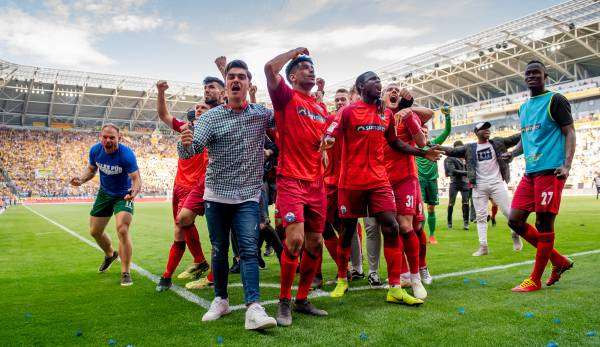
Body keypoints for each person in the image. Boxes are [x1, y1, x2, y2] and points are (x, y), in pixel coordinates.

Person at [324, 71, 441, 304]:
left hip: (379, 182)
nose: (378, 85)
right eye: (373, 81)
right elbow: (332, 130)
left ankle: (395, 287)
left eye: (379, 81)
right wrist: (328, 139)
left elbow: (395, 142)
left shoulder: (385, 114)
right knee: (347, 231)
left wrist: (421, 152)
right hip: (351, 182)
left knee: (392, 226)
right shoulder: (348, 111)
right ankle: (342, 279)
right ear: (360, 87)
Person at [179, 59, 277, 330]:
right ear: (226, 84)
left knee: (247, 249)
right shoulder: (210, 117)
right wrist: (185, 143)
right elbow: (192, 150)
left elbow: (287, 115)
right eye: (231, 76)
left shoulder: (260, 114)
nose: (236, 81)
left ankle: (253, 307)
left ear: (248, 83)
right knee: (220, 250)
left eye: (241, 77)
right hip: (216, 196)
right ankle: (220, 300)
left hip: (247, 195)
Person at [265, 47, 329, 327]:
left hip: (317, 183)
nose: (310, 70)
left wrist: (327, 145)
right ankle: (283, 301)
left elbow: (322, 138)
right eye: (304, 67)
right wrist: (295, 51)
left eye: (312, 67)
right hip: (290, 180)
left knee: (316, 243)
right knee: (295, 240)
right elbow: (269, 68)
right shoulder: (286, 97)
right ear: (291, 75)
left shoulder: (320, 107)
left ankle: (302, 300)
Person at [506, 60, 575, 292]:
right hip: (531, 172)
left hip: (551, 170)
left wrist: (567, 165)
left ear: (547, 76)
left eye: (537, 73)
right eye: (528, 73)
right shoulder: (523, 108)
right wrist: (513, 154)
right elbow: (527, 139)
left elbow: (569, 131)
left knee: (543, 223)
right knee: (514, 220)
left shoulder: (556, 100)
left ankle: (535, 279)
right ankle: (559, 261)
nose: (532, 76)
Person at [155, 80, 212, 292]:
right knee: (179, 227)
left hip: (196, 186)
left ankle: (167, 276)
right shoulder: (186, 127)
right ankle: (200, 262)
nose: (199, 109)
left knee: (181, 225)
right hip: (178, 185)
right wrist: (160, 92)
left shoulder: (215, 130)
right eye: (197, 107)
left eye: (204, 107)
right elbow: (164, 115)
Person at [69, 124, 142, 286]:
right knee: (95, 231)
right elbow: (91, 169)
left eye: (112, 138)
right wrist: (80, 179)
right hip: (104, 193)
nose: (108, 140)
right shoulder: (95, 150)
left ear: (119, 138)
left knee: (122, 229)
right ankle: (110, 254)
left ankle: (125, 272)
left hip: (124, 195)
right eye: (105, 137)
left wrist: (134, 192)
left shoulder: (126, 155)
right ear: (100, 137)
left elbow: (136, 178)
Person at [441, 123, 523, 256]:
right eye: (483, 128)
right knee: (480, 217)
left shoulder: (498, 142)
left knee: (509, 213)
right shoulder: (470, 148)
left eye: (488, 128)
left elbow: (517, 137)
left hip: (497, 183)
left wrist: (529, 128)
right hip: (479, 186)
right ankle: (483, 246)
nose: (487, 130)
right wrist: (437, 147)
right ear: (476, 132)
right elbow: (452, 151)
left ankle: (515, 235)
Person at [417, 106, 452, 244]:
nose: (424, 133)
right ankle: (420, 235)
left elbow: (447, 131)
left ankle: (431, 235)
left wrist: (447, 116)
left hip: (432, 180)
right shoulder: (414, 146)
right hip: (419, 180)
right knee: (418, 210)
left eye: (425, 131)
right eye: (421, 131)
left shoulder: (434, 144)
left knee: (431, 208)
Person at [444, 140, 470, 230]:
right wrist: (467, 172)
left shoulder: (466, 157)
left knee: (466, 203)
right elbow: (453, 171)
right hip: (454, 182)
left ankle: (466, 223)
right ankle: (449, 222)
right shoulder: (450, 158)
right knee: (451, 203)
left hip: (465, 182)